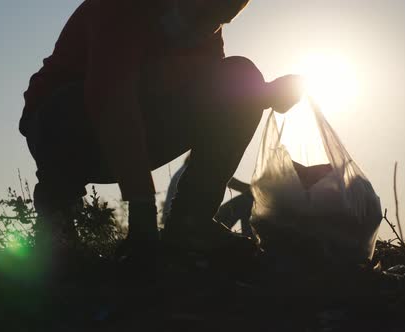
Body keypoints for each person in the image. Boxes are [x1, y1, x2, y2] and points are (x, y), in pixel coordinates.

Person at [19, 0, 303, 266]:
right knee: (66, 108)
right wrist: (142, 212)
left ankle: (192, 225)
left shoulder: (205, 34)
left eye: (220, 21)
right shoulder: (122, 8)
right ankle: (57, 221)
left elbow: (214, 99)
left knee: (242, 77)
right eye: (204, 13)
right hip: (66, 125)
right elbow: (111, 101)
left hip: (139, 124)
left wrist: (265, 94)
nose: (207, 27)